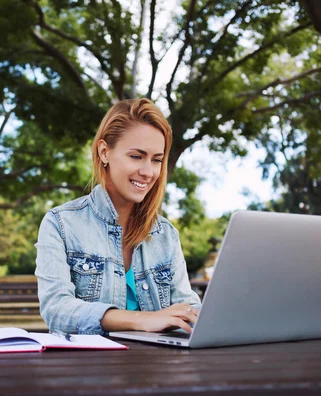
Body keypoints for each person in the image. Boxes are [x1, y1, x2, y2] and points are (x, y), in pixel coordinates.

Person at [35, 98, 201, 335]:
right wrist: (141, 320)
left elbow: (188, 305)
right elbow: (57, 309)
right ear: (105, 152)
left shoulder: (166, 234)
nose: (147, 172)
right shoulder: (61, 224)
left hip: (157, 368)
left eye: (156, 160)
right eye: (136, 156)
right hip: (87, 369)